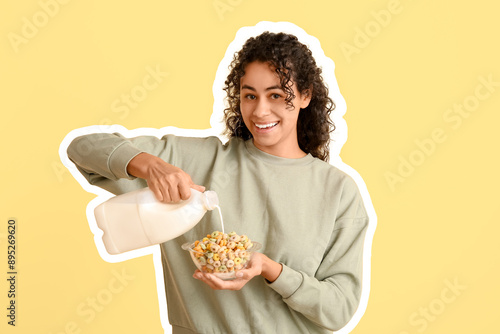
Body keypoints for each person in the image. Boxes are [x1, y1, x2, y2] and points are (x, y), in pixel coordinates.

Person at [67, 31, 369, 333]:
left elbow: (339, 308)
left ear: (305, 95)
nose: (260, 110)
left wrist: (271, 270)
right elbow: (82, 147)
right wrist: (150, 165)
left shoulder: (338, 191)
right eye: (250, 95)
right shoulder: (196, 161)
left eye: (276, 95)